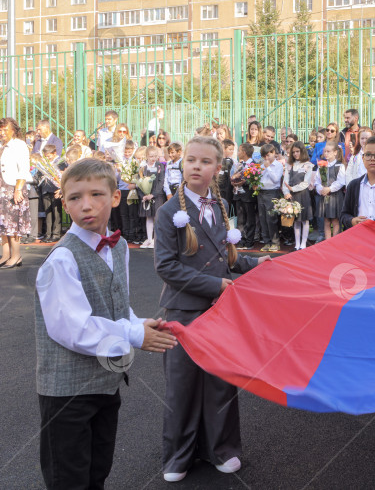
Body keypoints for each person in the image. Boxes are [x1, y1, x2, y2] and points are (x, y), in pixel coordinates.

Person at [35, 158, 177, 489]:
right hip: (67, 395)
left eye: (97, 194)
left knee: (97, 473)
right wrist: (133, 334)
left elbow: (116, 306)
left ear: (115, 197)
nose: (86, 205)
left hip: (105, 385)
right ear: (64, 201)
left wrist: (140, 323)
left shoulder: (118, 247)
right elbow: (73, 328)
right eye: (74, 197)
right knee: (68, 480)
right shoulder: (62, 259)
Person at [155, 136, 269, 482]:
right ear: (182, 164)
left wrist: (256, 264)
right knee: (183, 385)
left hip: (220, 313)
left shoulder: (219, 208)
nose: (195, 166)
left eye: (204, 162)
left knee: (221, 382)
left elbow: (227, 258)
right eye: (190, 160)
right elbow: (166, 267)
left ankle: (222, 448)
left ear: (218, 169)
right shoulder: (168, 212)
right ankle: (178, 455)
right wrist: (215, 286)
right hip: (183, 313)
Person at [0, 118, 31, 268]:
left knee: (13, 224)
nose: (2, 132)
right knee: (2, 225)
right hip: (1, 187)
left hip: (13, 187)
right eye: (1, 129)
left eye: (5, 129)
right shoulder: (1, 144)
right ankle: (5, 255)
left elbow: (24, 169)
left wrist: (18, 189)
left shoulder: (19, 145)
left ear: (14, 130)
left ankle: (16, 256)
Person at [283, 141, 314, 251]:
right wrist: (286, 192)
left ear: (302, 152)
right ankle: (297, 243)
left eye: (298, 151)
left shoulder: (308, 165)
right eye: (293, 152)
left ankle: (303, 242)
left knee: (304, 219)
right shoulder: (289, 165)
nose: (296, 154)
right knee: (295, 220)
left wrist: (293, 189)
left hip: (303, 195)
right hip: (292, 196)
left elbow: (306, 182)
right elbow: (285, 181)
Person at [136, 145, 167, 249]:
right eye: (151, 156)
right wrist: (143, 196)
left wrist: (153, 194)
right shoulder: (143, 167)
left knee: (156, 218)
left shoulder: (159, 166)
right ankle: (149, 239)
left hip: (156, 197)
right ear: (146, 156)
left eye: (155, 156)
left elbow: (160, 182)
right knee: (148, 218)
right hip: (146, 197)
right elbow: (139, 182)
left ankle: (156, 239)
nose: (153, 158)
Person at [315, 142, 346, 240]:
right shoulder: (321, 165)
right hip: (324, 196)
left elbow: (341, 181)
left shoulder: (339, 165)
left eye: (328, 151)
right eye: (325, 151)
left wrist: (329, 189)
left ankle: (336, 242)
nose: (326, 154)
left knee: (335, 221)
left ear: (335, 152)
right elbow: (317, 181)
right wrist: (320, 189)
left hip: (335, 196)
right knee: (326, 221)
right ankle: (327, 242)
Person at [231, 143, 259, 250]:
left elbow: (255, 179)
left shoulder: (254, 164)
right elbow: (233, 176)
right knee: (241, 219)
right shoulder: (238, 164)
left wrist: (244, 182)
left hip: (248, 196)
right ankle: (241, 240)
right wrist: (233, 181)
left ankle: (249, 241)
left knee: (250, 219)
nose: (237, 153)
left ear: (244, 152)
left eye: (239, 151)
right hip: (238, 195)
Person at [257, 143, 283, 252]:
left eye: (268, 155)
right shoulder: (262, 165)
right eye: (264, 156)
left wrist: (268, 168)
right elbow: (259, 179)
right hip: (261, 192)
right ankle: (266, 241)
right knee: (262, 218)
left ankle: (275, 242)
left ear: (274, 153)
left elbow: (276, 180)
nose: (266, 158)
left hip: (272, 192)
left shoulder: (278, 165)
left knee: (271, 218)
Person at [38, 144, 63, 243]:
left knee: (56, 212)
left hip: (55, 190)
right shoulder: (44, 163)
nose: (48, 158)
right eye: (46, 156)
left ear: (54, 153)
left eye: (49, 156)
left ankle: (56, 233)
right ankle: (48, 233)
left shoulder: (60, 162)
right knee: (48, 213)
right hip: (46, 189)